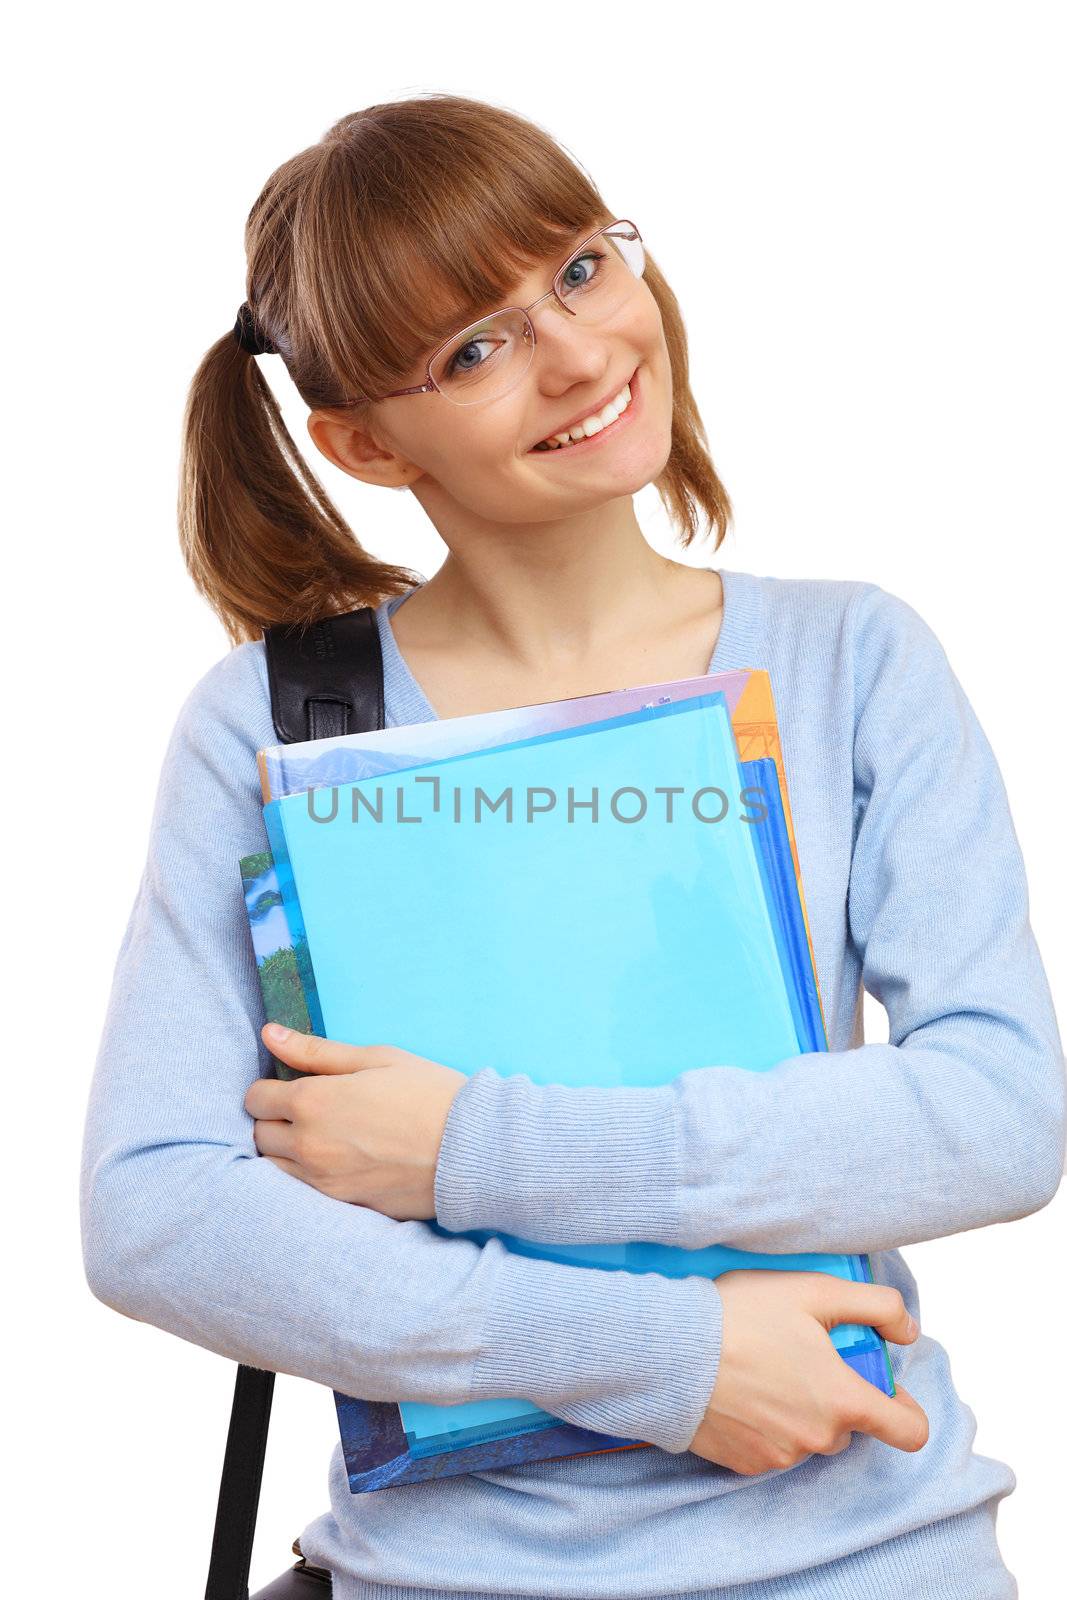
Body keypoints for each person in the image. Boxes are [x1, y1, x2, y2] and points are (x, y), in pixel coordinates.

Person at [80, 92, 1065, 1600]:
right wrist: (661, 1358)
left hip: (867, 1553)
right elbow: (156, 1209)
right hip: (451, 1574)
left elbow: (999, 1112)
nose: (582, 352)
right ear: (361, 441)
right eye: (472, 350)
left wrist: (476, 1149)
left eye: (582, 271)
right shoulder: (284, 725)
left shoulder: (853, 659)